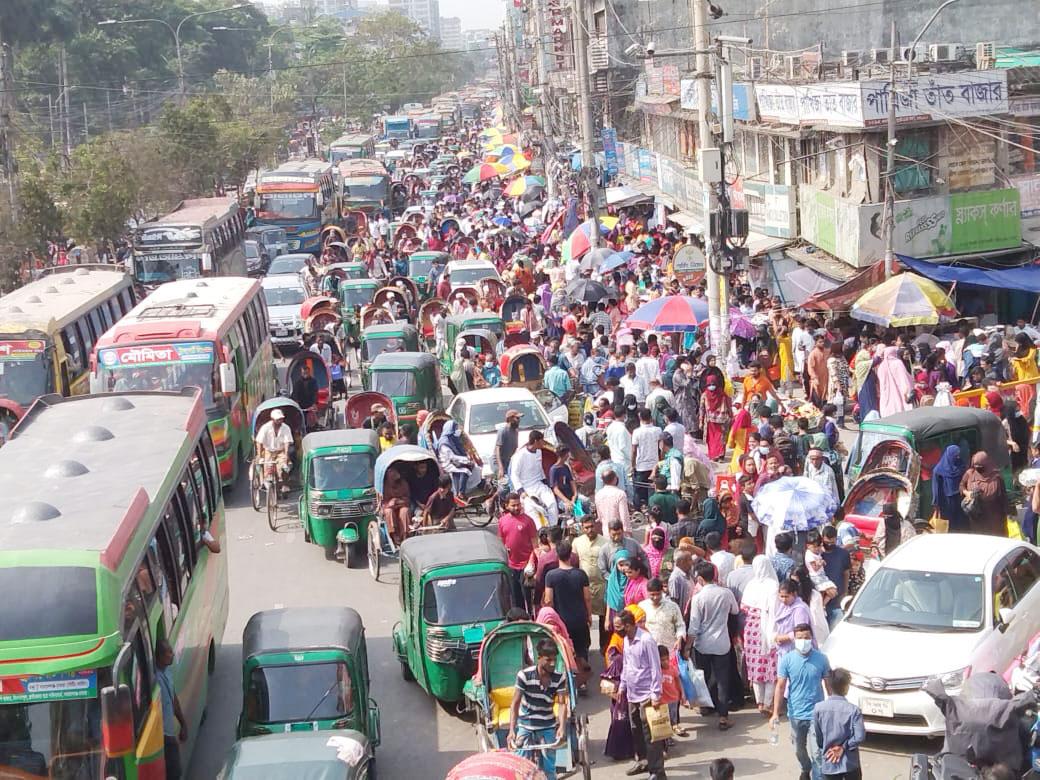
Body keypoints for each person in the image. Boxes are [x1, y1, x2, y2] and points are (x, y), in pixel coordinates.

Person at [772, 624, 832, 780]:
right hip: (795, 713)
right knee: (799, 749)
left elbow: (828, 685)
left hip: (816, 714)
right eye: (799, 638)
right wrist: (775, 714)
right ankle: (805, 768)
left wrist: (832, 707)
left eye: (806, 638)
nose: (803, 641)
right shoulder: (787, 660)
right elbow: (780, 686)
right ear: (794, 639)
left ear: (811, 639)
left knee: (818, 752)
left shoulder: (822, 659)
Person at [686, 561, 739, 730]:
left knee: (703, 676)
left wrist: (688, 646)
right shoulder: (726, 593)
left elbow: (693, 626)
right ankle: (723, 717)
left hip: (702, 644)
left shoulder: (698, 598)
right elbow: (735, 611)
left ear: (700, 579)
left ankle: (705, 706)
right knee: (722, 679)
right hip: (722, 643)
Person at [615, 608, 667, 780]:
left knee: (650, 734)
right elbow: (627, 664)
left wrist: (656, 694)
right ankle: (642, 761)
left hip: (647, 695)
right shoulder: (626, 641)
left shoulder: (646, 640)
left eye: (619, 626)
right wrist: (622, 686)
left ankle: (657, 771)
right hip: (632, 693)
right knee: (636, 730)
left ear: (628, 625)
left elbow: (655, 668)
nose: (616, 629)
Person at [508, 638, 568, 779]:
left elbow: (562, 704)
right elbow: (515, 704)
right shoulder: (524, 676)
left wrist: (562, 727)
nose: (552, 664)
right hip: (526, 724)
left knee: (549, 768)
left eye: (554, 660)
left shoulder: (559, 678)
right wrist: (511, 730)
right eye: (548, 660)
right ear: (539, 658)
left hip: (547, 725)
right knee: (521, 767)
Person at [544, 540, 592, 673]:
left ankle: (571, 675)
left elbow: (548, 600)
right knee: (582, 647)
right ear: (570, 554)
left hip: (562, 621)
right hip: (580, 618)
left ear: (557, 555)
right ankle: (583, 679)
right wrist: (588, 615)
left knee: (566, 649)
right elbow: (587, 598)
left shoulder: (551, 576)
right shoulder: (581, 574)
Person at [740, 555, 780, 716]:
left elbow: (743, 607)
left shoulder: (751, 585)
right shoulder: (773, 585)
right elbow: (776, 609)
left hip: (751, 629)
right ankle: (769, 703)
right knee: (770, 666)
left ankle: (760, 702)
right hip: (769, 626)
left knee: (755, 665)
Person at [813, 668, 865, 780]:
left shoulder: (818, 708)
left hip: (829, 762)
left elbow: (819, 739)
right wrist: (843, 747)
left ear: (830, 686)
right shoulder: (854, 710)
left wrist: (830, 748)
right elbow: (859, 737)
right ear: (846, 687)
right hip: (850, 764)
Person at [498, 493, 539, 613]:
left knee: (528, 597)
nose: (516, 508)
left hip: (526, 567)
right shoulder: (502, 521)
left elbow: (535, 545)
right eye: (513, 505)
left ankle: (531, 618)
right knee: (515, 599)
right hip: (511, 566)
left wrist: (532, 564)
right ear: (506, 506)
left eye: (518, 505)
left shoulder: (528, 521)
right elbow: (501, 543)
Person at [510, 431, 559, 526]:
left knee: (552, 503)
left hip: (538, 484)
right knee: (534, 509)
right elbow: (514, 475)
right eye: (542, 441)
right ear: (536, 441)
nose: (543, 443)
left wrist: (546, 483)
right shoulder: (520, 455)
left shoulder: (539, 452)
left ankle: (553, 527)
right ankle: (541, 532)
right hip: (526, 488)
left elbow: (539, 469)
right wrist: (521, 491)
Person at [574, 516, 609, 649]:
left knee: (603, 618)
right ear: (582, 528)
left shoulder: (605, 542)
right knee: (584, 619)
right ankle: (585, 646)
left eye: (592, 526)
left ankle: (604, 647)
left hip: (601, 586)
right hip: (584, 587)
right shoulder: (577, 542)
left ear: (596, 526)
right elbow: (574, 563)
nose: (590, 530)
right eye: (586, 527)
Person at [156, 638, 188, 780]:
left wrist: (183, 724)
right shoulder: (154, 678)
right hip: (163, 736)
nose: (172, 654)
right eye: (168, 652)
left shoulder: (167, 670)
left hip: (169, 734)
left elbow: (173, 698)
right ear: (159, 657)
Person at [960, 452, 1009, 537]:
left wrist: (1008, 513)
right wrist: (968, 493)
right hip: (977, 519)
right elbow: (961, 485)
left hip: (994, 519)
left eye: (981, 466)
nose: (978, 468)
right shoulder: (970, 474)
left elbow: (1003, 499)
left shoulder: (996, 477)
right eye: (976, 466)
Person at [639, 578, 686, 653]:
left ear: (662, 591)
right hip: (649, 649)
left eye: (658, 594)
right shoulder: (642, 607)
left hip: (669, 649)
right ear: (647, 592)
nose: (655, 597)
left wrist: (679, 639)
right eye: (652, 595)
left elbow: (680, 625)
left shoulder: (672, 606)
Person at [255, 408, 293, 496]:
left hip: (281, 451)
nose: (280, 421)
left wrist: (286, 456)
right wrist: (260, 456)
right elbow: (259, 442)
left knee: (285, 466)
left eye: (281, 419)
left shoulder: (285, 428)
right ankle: (265, 481)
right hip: (268, 451)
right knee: (267, 467)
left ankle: (284, 484)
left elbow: (287, 443)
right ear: (272, 419)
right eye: (278, 419)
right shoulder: (265, 428)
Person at [632, 409, 662, 509]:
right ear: (651, 418)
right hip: (655, 465)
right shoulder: (658, 430)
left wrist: (633, 465)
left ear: (640, 418)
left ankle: (638, 509)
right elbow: (660, 447)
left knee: (638, 489)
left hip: (641, 465)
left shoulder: (636, 432)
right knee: (653, 488)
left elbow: (633, 451)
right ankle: (653, 508)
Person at [877, 346, 914, 417]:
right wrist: (908, 391)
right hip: (899, 392)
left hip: (886, 394)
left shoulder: (881, 366)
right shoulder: (898, 363)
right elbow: (904, 379)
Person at [595, 469, 631, 534]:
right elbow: (624, 515)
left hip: (606, 531)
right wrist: (627, 530)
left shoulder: (598, 494)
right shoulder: (620, 494)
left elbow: (600, 517)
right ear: (615, 479)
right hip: (619, 532)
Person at [549, 446, 576, 516]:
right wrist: (567, 501)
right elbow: (555, 489)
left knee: (585, 501)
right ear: (565, 455)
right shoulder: (553, 470)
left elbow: (572, 482)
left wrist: (575, 495)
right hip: (562, 499)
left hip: (571, 496)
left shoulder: (566, 467)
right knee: (569, 508)